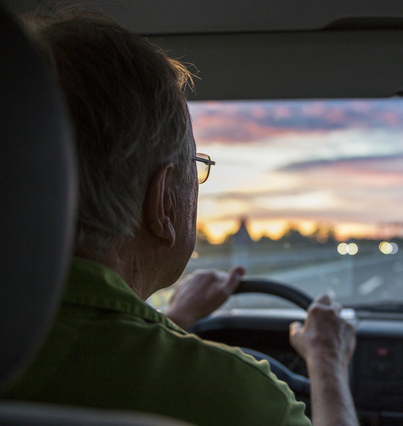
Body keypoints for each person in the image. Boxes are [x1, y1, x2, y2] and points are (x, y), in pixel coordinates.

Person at [8, 10, 358, 426]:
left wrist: (172, 320)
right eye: (195, 165)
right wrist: (328, 364)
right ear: (162, 203)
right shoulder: (237, 397)